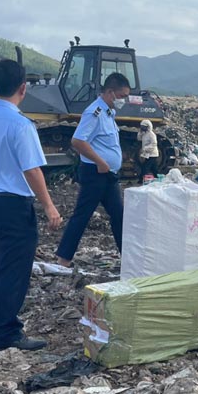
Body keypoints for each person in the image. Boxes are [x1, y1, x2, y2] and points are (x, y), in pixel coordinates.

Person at [0, 59, 62, 352]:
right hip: (15, 206)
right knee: (12, 270)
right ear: (23, 88)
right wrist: (49, 206)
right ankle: (7, 332)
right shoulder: (21, 124)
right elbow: (32, 170)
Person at [55, 73, 131, 267]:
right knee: (83, 214)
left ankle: (129, 258)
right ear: (110, 92)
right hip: (96, 173)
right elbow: (78, 140)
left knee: (118, 215)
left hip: (108, 175)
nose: (124, 100)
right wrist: (100, 161)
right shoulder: (94, 112)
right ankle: (63, 259)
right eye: (122, 96)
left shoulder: (108, 112)